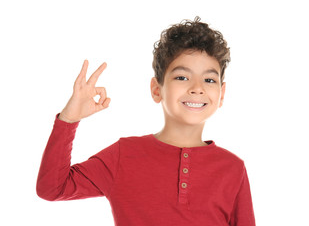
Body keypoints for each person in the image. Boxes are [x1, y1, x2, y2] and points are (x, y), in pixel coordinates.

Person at [36, 17, 256, 226]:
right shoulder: (124, 155)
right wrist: (68, 120)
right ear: (156, 89)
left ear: (222, 94)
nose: (197, 87)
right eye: (182, 77)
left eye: (209, 79)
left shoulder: (233, 169)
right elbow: (52, 188)